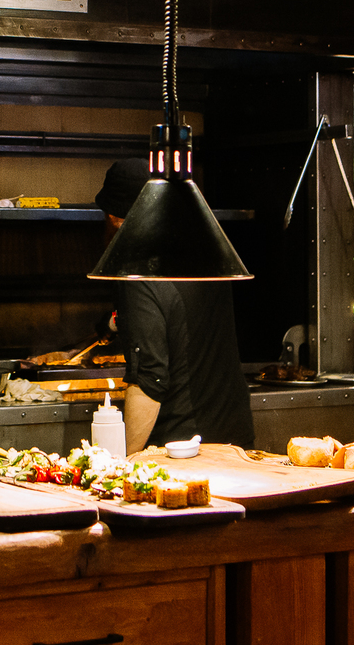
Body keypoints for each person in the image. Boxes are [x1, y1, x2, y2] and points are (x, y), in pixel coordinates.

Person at [95, 157, 256, 451]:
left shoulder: (139, 270)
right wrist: (118, 321)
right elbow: (182, 323)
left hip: (181, 449)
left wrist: (122, 464)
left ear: (114, 217)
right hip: (234, 438)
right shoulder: (207, 253)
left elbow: (150, 380)